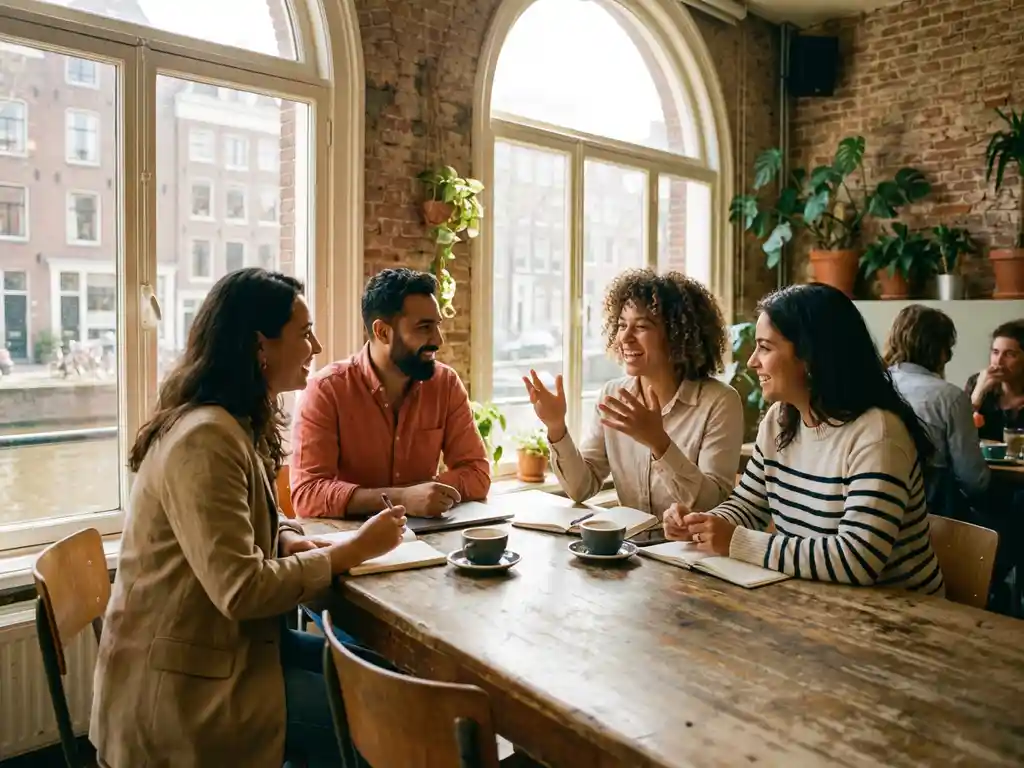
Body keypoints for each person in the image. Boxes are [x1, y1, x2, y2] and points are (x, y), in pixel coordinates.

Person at [90, 269, 408, 768]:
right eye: (305, 333)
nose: (318, 346)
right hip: (183, 694)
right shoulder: (205, 437)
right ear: (261, 345)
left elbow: (240, 519)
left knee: (380, 674)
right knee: (385, 721)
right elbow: (240, 589)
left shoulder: (229, 422)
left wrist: (282, 538)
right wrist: (354, 549)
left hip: (226, 655)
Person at [667, 283, 944, 595]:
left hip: (902, 622)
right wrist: (701, 525)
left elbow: (858, 560)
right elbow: (749, 504)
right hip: (818, 601)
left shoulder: (877, 434)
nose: (752, 361)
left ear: (810, 358)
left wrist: (736, 541)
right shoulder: (779, 419)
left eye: (765, 347)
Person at [525, 269, 743, 517]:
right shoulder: (612, 395)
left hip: (691, 553)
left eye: (641, 326)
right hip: (628, 548)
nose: (625, 338)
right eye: (621, 325)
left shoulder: (720, 402)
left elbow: (712, 505)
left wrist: (659, 444)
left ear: (677, 335)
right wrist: (556, 427)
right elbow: (580, 488)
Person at [290, 268, 490, 519]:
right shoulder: (326, 391)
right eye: (424, 327)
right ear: (382, 332)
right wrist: (403, 498)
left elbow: (477, 472)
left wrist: (430, 494)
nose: (438, 340)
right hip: (350, 545)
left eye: (437, 325)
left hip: (426, 538)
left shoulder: (445, 384)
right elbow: (307, 494)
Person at [883, 304, 990, 518]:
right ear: (943, 351)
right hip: (930, 513)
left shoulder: (873, 383)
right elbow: (974, 480)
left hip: (876, 504)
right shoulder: (950, 397)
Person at [967, 320, 1024, 442]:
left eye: (1009, 354)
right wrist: (978, 393)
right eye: (995, 352)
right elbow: (958, 433)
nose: (998, 362)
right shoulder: (977, 382)